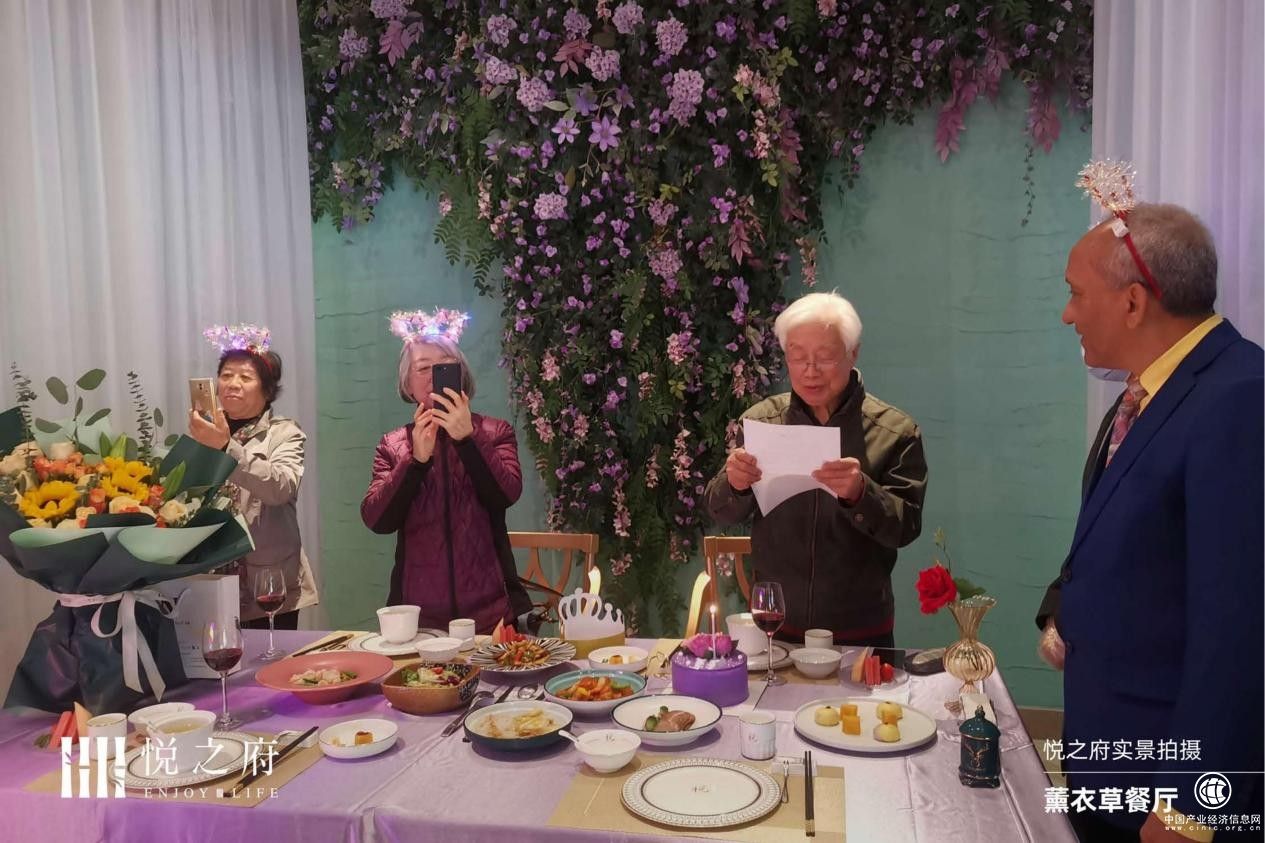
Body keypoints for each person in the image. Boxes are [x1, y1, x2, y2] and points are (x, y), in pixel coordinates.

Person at [1037, 198, 1262, 842]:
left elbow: (1242, 626)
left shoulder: (1240, 399)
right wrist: (1068, 613)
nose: (1068, 313)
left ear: (1133, 302)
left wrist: (1192, 808)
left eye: (1077, 293)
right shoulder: (1144, 392)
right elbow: (1130, 537)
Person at [704, 291, 926, 647]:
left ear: (853, 353)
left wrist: (861, 494)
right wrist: (735, 484)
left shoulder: (894, 431)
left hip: (860, 630)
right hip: (776, 628)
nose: (810, 371)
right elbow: (721, 511)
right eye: (798, 357)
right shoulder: (762, 422)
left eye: (824, 357)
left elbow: (907, 527)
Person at [361, 310, 532, 634]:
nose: (433, 376)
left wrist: (469, 439)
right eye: (422, 368)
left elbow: (506, 494)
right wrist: (414, 460)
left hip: (492, 615)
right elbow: (377, 520)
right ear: (408, 384)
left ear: (460, 374)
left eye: (444, 367)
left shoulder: (495, 432)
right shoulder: (393, 444)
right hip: (418, 620)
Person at [189, 324, 319, 629]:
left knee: (270, 658)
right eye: (226, 375)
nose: (232, 384)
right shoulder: (203, 433)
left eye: (245, 378)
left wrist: (226, 447)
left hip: (268, 586)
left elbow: (280, 488)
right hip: (212, 582)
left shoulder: (284, 433)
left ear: (267, 390)